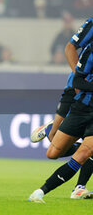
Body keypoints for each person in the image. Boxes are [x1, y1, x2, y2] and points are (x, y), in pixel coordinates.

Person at [30, 18, 93, 200]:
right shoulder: (91, 27)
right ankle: (51, 129)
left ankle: (79, 187)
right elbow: (69, 48)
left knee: (86, 151)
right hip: (76, 92)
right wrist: (80, 80)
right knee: (54, 150)